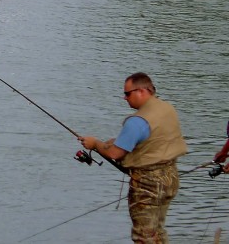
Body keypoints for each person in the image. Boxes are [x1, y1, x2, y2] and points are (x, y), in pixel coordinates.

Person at [78, 73, 188, 244]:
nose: (124, 97)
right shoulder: (167, 108)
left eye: (127, 93)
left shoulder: (137, 121)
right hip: (170, 177)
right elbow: (154, 141)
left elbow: (115, 154)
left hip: (147, 185)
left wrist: (95, 144)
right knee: (157, 231)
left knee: (143, 236)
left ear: (142, 91)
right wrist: (116, 142)